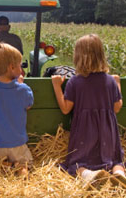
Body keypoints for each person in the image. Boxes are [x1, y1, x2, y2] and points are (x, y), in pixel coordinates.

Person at [51, 34, 125, 186]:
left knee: (77, 162)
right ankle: (119, 173)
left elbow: (65, 109)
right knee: (116, 159)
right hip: (107, 131)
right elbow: (117, 107)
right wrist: (118, 83)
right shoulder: (110, 81)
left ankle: (89, 175)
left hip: (85, 131)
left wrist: (57, 86)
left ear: (78, 57)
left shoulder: (75, 82)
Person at [0, 41, 33, 175]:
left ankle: (5, 165)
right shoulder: (24, 90)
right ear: (11, 67)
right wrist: (20, 84)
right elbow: (28, 106)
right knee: (25, 162)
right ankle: (21, 168)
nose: (21, 69)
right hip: (17, 145)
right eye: (20, 66)